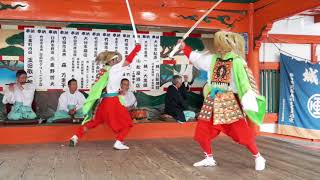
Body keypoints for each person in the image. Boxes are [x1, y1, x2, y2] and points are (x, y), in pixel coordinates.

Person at [179, 31, 266, 170]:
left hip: (229, 100)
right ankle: (208, 158)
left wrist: (247, 99)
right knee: (202, 131)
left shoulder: (237, 61)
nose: (218, 47)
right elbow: (197, 59)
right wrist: (184, 47)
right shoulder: (214, 59)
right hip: (212, 99)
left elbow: (244, 82)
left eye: (220, 44)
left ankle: (258, 156)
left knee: (240, 132)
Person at [69, 44, 141, 150]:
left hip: (104, 102)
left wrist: (117, 92)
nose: (118, 62)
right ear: (112, 61)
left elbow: (105, 88)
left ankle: (75, 136)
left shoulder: (104, 71)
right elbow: (128, 61)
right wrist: (136, 50)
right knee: (128, 123)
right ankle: (119, 141)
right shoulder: (114, 69)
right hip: (113, 102)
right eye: (117, 60)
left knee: (94, 122)